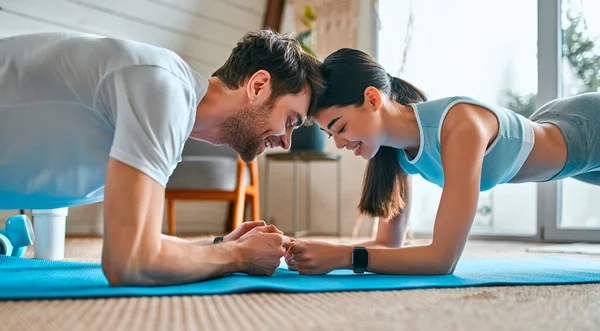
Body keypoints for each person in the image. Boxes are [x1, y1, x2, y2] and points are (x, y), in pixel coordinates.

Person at [0, 29, 324, 286]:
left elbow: (137, 238)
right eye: (291, 121)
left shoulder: (171, 108)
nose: (285, 140)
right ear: (258, 85)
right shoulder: (163, 86)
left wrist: (219, 243)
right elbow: (128, 263)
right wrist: (238, 255)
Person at [285, 48, 600, 275]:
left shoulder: (459, 127)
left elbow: (441, 259)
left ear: (372, 99)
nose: (340, 143)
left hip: (588, 129)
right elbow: (388, 243)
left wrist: (344, 257)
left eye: (340, 127)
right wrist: (312, 248)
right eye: (331, 135)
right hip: (560, 128)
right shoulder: (393, 151)